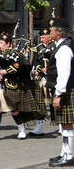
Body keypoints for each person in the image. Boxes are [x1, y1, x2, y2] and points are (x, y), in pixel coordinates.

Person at [0, 32, 36, 141]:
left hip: (12, 85)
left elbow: (19, 65)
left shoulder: (15, 53)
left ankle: (21, 130)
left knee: (14, 110)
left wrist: (5, 71)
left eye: (2, 43)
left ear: (8, 44)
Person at [46, 17, 74, 167]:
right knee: (64, 124)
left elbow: (64, 73)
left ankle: (68, 156)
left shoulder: (64, 48)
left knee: (67, 123)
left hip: (66, 90)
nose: (50, 33)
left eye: (51, 30)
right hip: (66, 90)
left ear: (58, 32)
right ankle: (64, 152)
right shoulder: (63, 45)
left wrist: (58, 94)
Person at [29, 28, 55, 136]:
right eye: (40, 37)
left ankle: (61, 125)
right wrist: (40, 69)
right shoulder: (37, 48)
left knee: (55, 103)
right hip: (41, 79)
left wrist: (49, 69)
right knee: (39, 103)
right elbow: (34, 61)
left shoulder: (56, 46)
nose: (42, 39)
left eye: (43, 37)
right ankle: (40, 127)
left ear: (50, 37)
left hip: (54, 78)